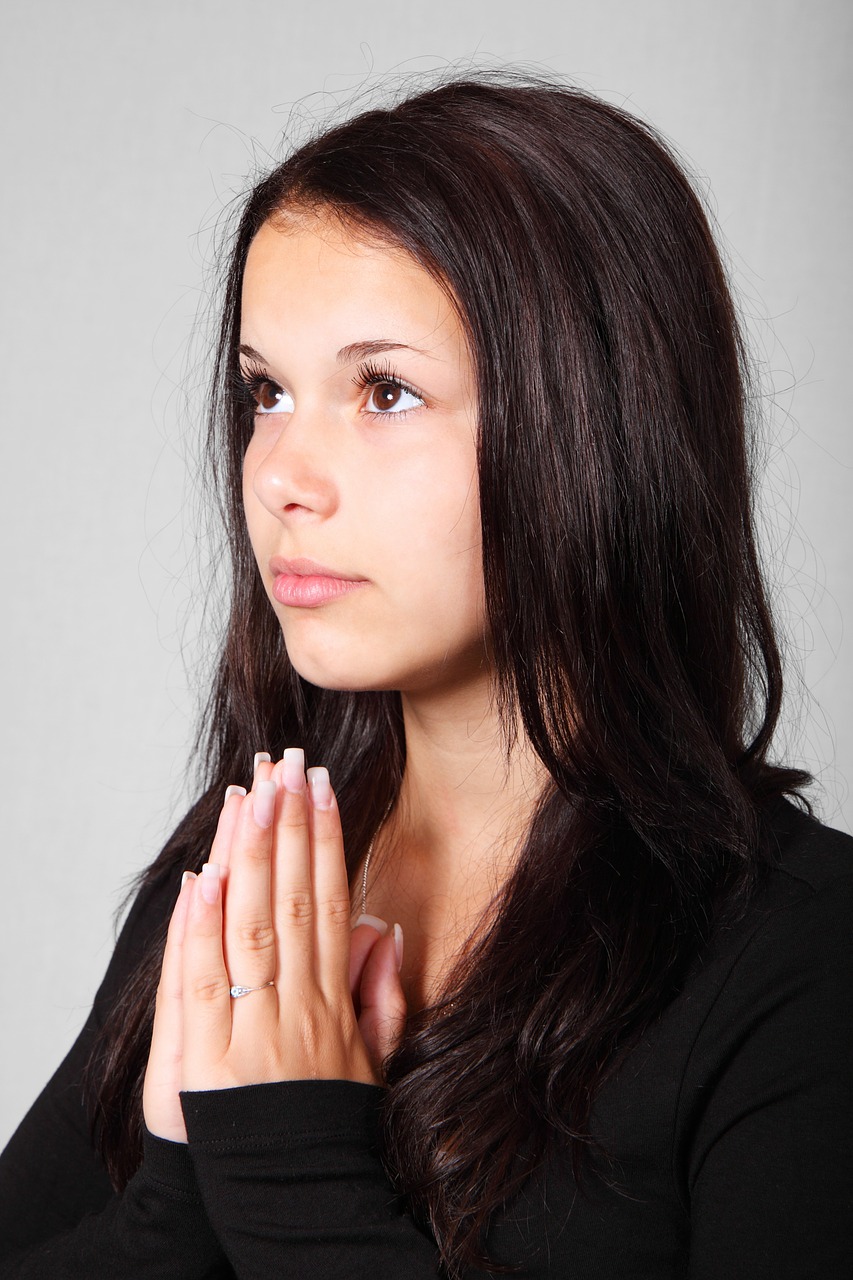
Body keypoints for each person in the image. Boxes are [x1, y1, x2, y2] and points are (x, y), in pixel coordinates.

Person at [0, 73, 851, 1279]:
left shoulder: (800, 963)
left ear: (592, 421)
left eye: (384, 390)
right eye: (266, 391)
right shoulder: (239, 887)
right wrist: (178, 1205)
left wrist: (292, 1169)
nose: (282, 474)